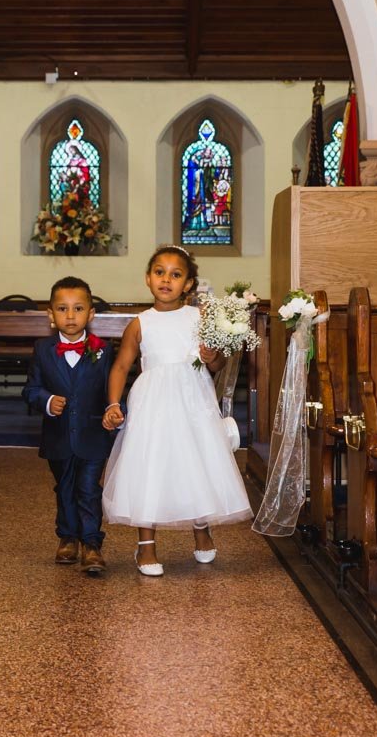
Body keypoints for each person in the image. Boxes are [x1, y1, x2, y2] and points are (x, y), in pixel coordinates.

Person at [101, 245, 252, 576]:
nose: (166, 279)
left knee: (194, 461)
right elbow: (121, 366)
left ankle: (201, 529)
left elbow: (218, 363)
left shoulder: (200, 318)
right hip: (152, 401)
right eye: (159, 272)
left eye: (175, 274)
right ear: (147, 279)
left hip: (193, 399)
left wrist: (213, 356)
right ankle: (146, 546)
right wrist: (113, 403)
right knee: (151, 464)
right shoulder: (140, 323)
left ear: (188, 285)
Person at [22, 276, 114, 576]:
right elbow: (31, 389)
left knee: (88, 489)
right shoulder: (43, 349)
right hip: (58, 435)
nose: (70, 316)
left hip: (93, 433)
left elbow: (114, 390)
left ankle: (91, 543)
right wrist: (47, 401)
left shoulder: (104, 350)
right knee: (64, 487)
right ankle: (67, 537)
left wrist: (116, 410)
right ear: (50, 315)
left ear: (91, 314)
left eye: (78, 308)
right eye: (62, 309)